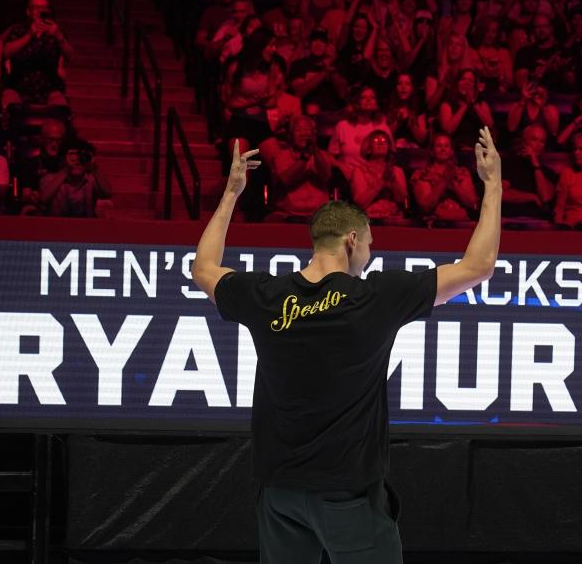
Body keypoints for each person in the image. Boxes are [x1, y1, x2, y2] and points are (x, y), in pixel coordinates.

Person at [189, 127, 501, 564]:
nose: (370, 254)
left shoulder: (265, 296)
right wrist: (493, 185)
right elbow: (479, 265)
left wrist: (232, 194)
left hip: (279, 495)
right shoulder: (375, 298)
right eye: (370, 243)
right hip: (348, 499)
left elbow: (202, 268)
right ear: (352, 240)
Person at [0, 0, 73, 108]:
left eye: (44, 7)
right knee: (8, 103)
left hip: (49, 88)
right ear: (28, 11)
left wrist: (59, 36)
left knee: (60, 109)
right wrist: (29, 35)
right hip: (18, 86)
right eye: (36, 7)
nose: (41, 10)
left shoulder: (56, 31)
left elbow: (71, 57)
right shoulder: (18, 30)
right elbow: (6, 53)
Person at [259, 115, 333, 221]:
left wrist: (315, 151)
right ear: (290, 135)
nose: (303, 134)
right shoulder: (280, 156)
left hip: (319, 214)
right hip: (288, 214)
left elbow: (326, 176)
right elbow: (286, 179)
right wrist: (304, 158)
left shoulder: (321, 155)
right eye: (298, 130)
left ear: (313, 134)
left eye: (306, 130)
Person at [411, 133, 478, 223]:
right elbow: (425, 207)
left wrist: (454, 185)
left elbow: (472, 204)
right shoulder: (422, 174)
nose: (443, 149)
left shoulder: (462, 173)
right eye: (439, 146)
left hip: (460, 222)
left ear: (451, 151)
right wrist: (444, 181)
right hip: (433, 225)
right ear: (432, 151)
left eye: (446, 146)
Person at [39, 136, 112, 218]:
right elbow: (43, 199)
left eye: (81, 156)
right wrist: (66, 170)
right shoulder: (51, 178)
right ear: (63, 158)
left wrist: (94, 168)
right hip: (58, 227)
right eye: (72, 154)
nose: (77, 159)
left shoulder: (90, 179)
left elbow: (108, 193)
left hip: (85, 227)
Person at [347, 129, 408, 219]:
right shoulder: (359, 171)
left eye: (384, 141)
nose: (381, 143)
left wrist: (393, 182)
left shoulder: (397, 171)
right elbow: (360, 203)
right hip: (370, 220)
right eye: (376, 141)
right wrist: (381, 183)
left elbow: (402, 200)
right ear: (368, 148)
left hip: (394, 219)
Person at [502, 124, 555, 220]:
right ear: (523, 142)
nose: (538, 145)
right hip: (508, 219)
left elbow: (545, 198)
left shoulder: (547, 172)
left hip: (536, 221)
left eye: (542, 141)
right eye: (534, 140)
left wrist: (535, 165)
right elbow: (500, 194)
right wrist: (531, 197)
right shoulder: (508, 165)